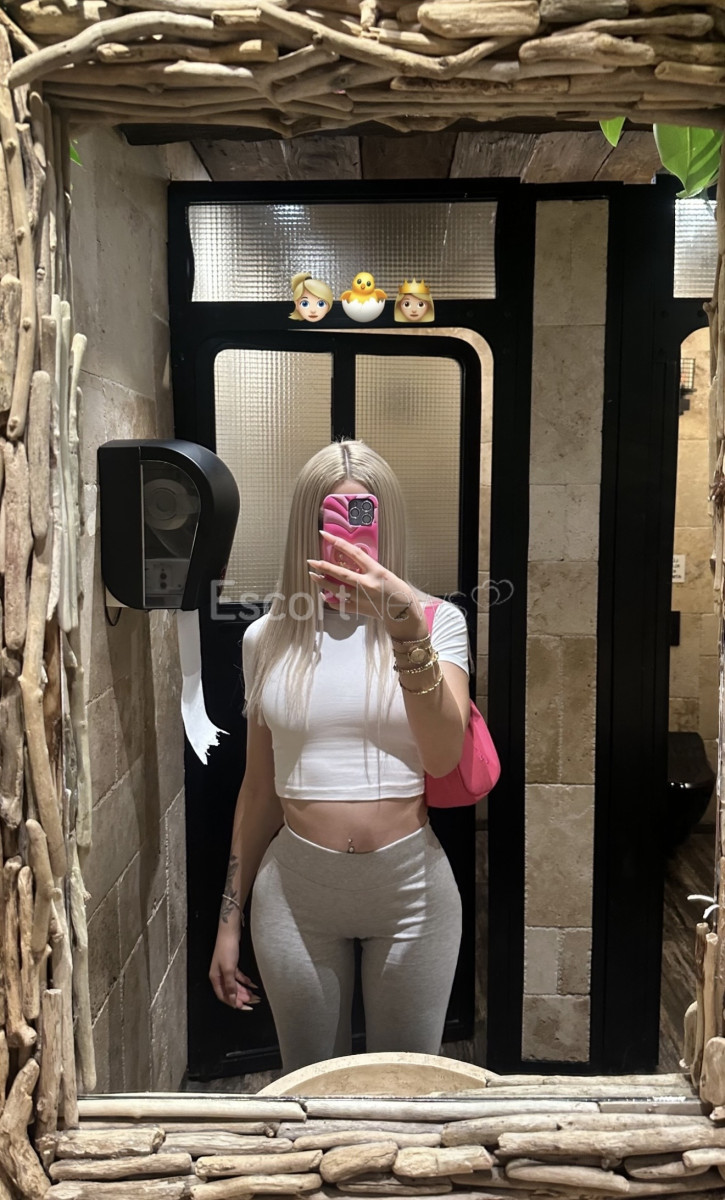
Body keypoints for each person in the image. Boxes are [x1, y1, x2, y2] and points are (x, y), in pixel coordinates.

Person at [209, 439, 470, 1073]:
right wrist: (228, 920)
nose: (348, 543)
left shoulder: (437, 623)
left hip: (412, 893)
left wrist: (405, 629)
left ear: (387, 525)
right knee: (310, 1087)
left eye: (364, 518)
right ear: (308, 528)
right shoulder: (266, 638)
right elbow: (259, 789)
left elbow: (442, 757)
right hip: (296, 896)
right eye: (332, 520)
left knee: (406, 1089)